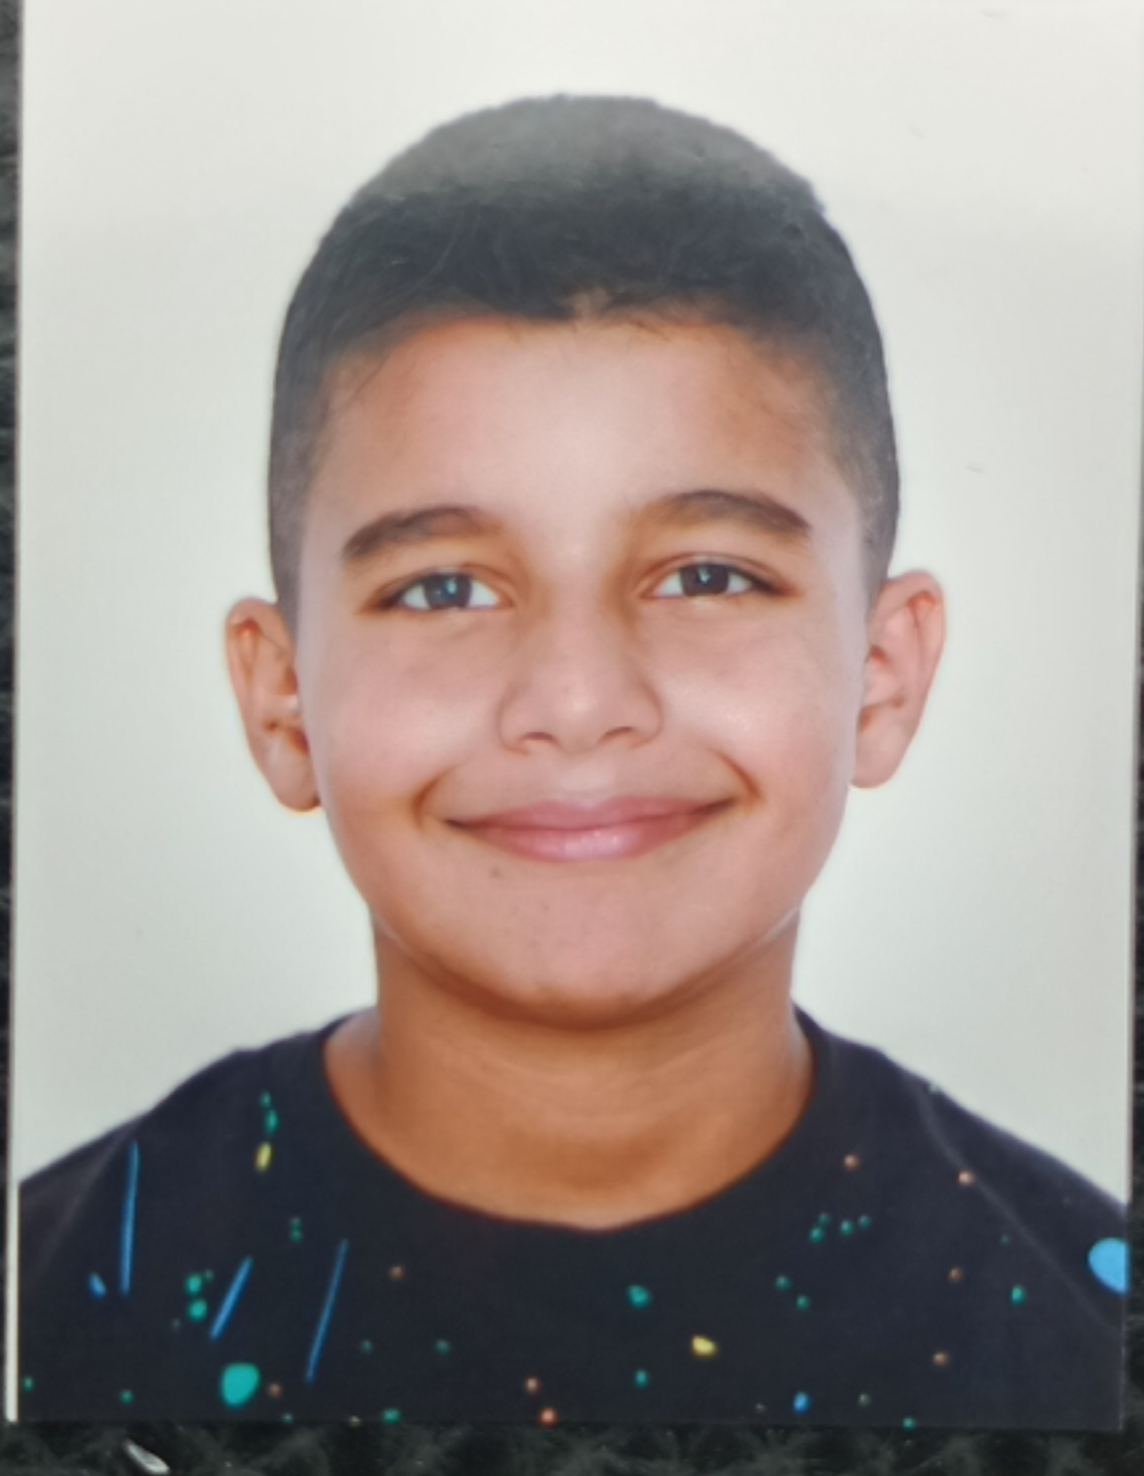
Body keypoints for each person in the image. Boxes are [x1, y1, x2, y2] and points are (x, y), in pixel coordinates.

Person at [19, 96, 1126, 1428]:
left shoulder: (1086, 1344)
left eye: (707, 576)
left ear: (883, 673)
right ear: (285, 698)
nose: (580, 700)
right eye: (445, 590)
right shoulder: (58, 1313)